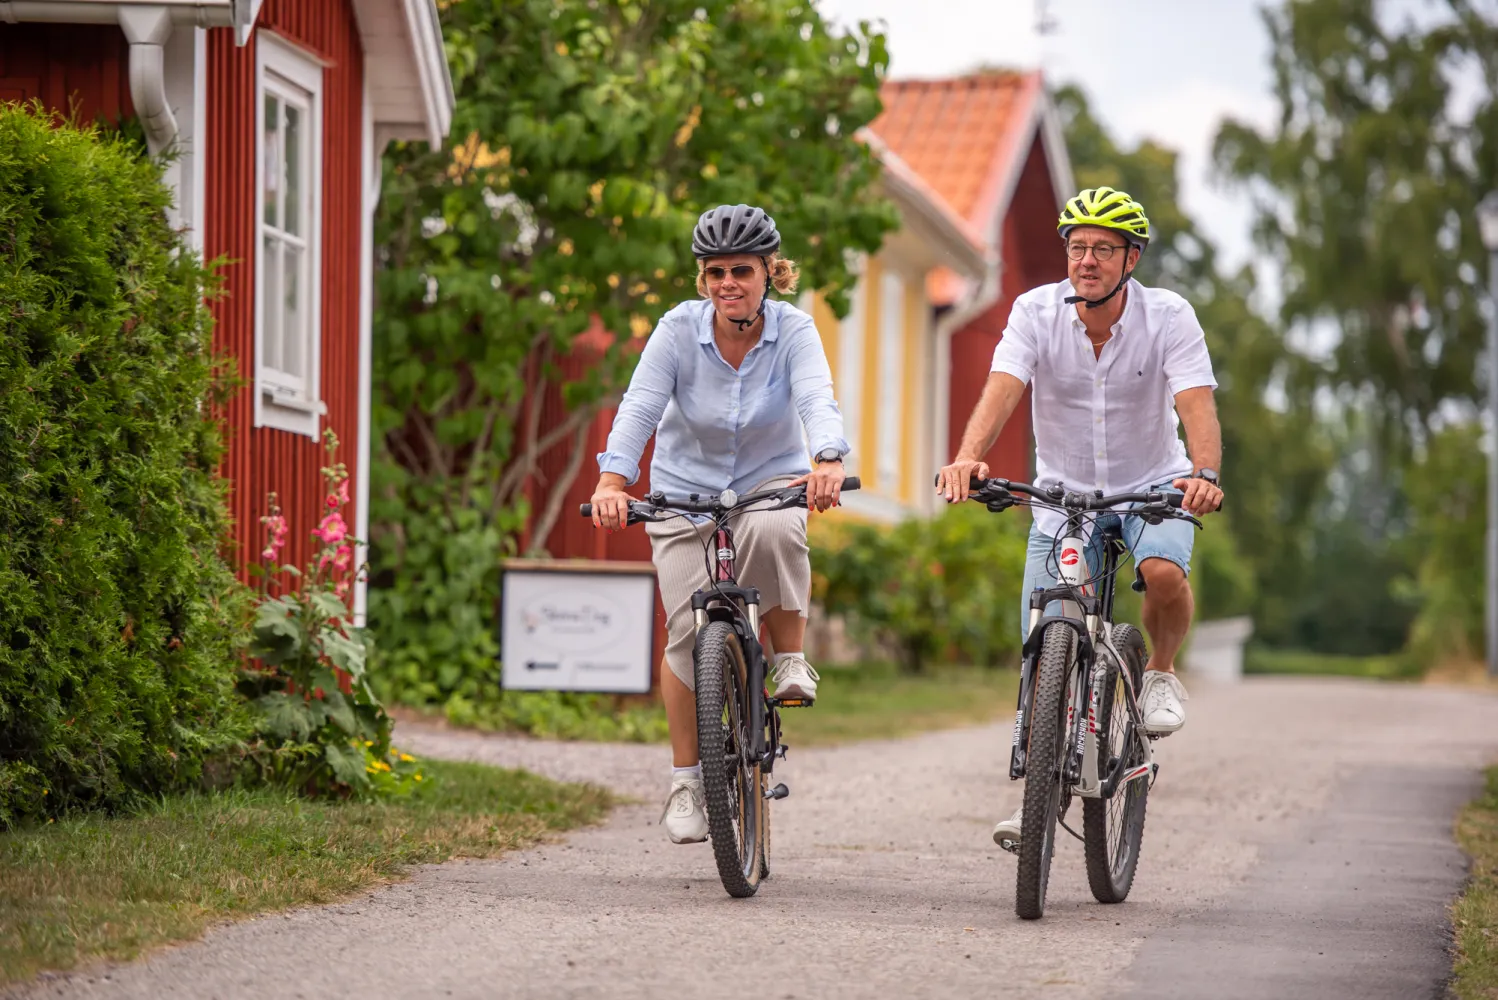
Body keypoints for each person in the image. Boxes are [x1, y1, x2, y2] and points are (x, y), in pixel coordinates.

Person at [934, 186, 1224, 849]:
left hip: (1153, 484)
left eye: (1102, 249)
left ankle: (1160, 672)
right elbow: (1002, 387)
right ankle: (1039, 795)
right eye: (1077, 247)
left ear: (1132, 259)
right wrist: (967, 458)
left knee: (1162, 572)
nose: (1085, 260)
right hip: (1062, 496)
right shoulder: (1034, 313)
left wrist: (1203, 475)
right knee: (1047, 637)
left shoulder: (1169, 317)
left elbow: (1195, 403)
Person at [590, 204, 849, 845]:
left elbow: (816, 395)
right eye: (714, 272)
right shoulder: (678, 331)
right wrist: (613, 481)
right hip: (684, 493)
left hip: (767, 483)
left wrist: (826, 461)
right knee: (683, 633)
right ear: (702, 278)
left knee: (777, 529)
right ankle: (685, 782)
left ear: (769, 272)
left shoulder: (793, 331)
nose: (727, 283)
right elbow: (641, 405)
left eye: (741, 270)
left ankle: (789, 659)